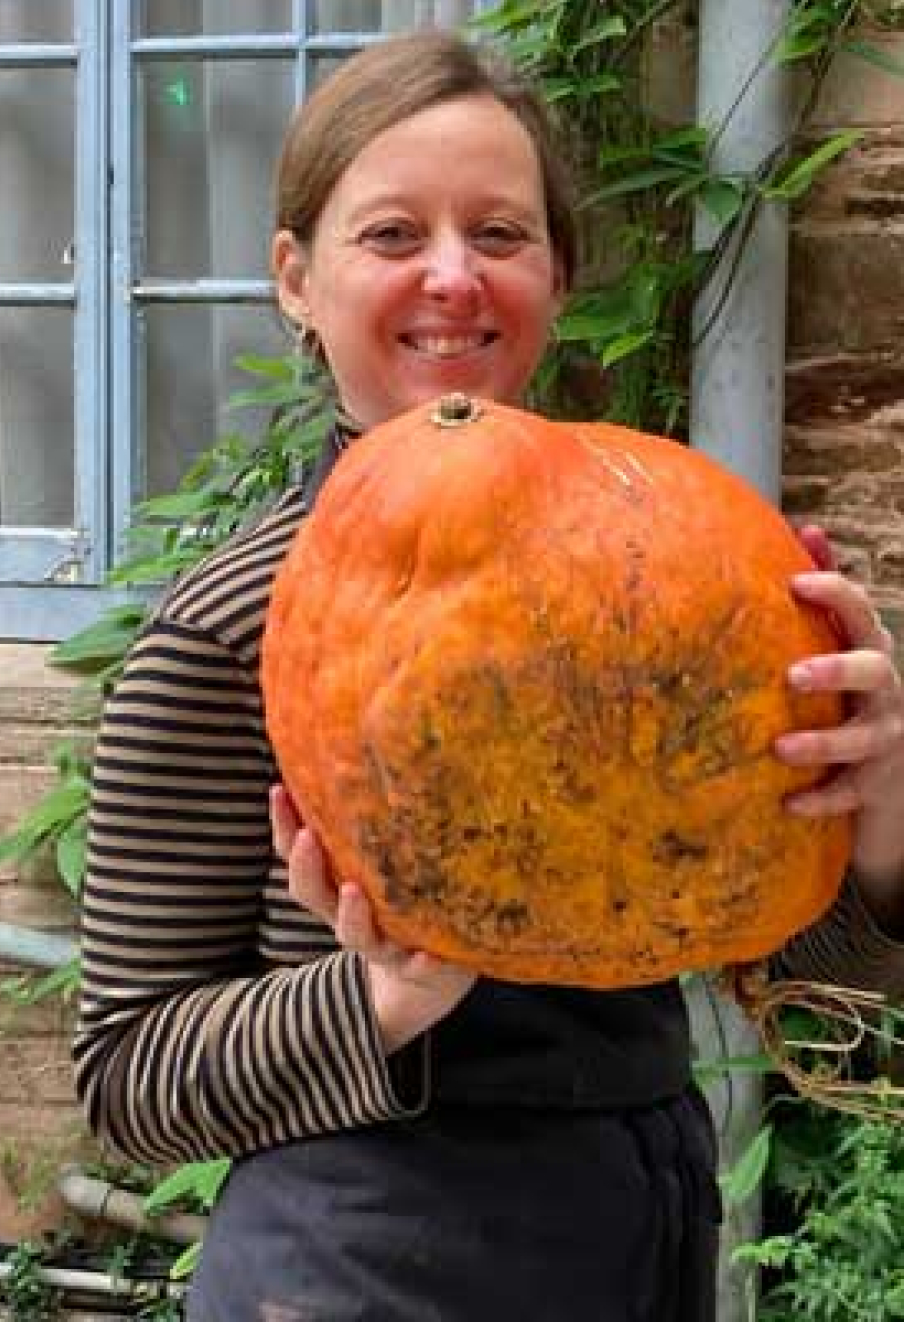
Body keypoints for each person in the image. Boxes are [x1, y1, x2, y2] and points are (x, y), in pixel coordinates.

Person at [74, 29, 904, 1322]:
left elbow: (821, 994)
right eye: (394, 233)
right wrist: (384, 995)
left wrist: (881, 828)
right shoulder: (234, 624)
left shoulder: (663, 579)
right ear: (297, 278)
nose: (453, 277)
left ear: (560, 276)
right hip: (352, 1266)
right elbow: (126, 1076)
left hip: (637, 1233)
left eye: (502, 234)